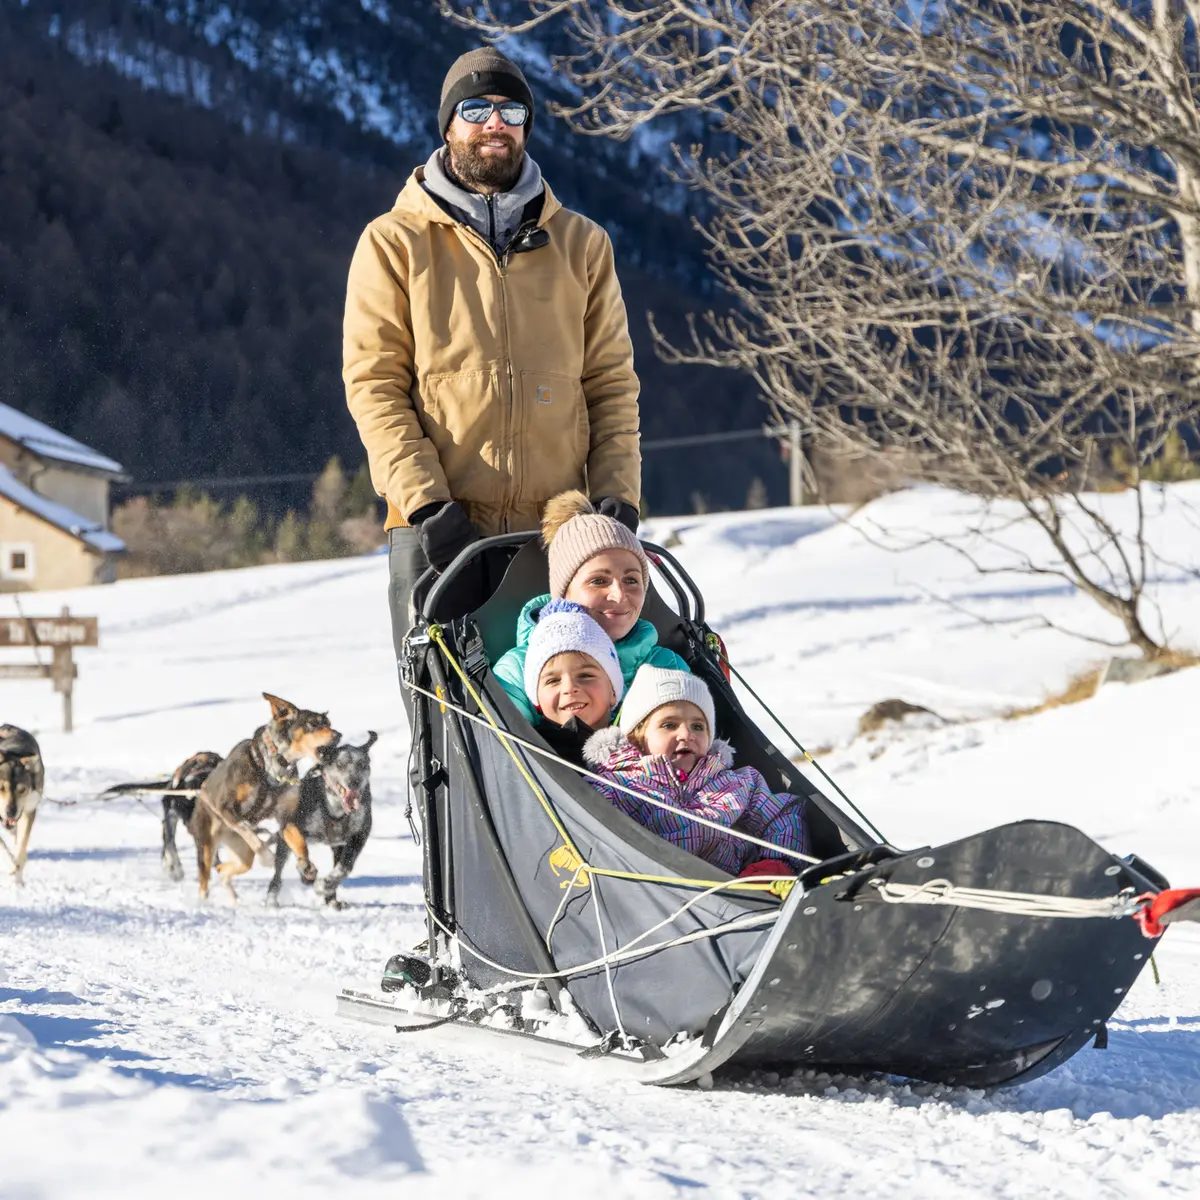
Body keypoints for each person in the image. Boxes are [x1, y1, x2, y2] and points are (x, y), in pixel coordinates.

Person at [343, 46, 642, 653]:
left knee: (566, 705)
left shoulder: (582, 245)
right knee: (444, 709)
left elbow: (611, 385)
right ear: (448, 125)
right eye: (476, 110)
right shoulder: (393, 242)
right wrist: (426, 505)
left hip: (557, 539)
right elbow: (375, 387)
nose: (495, 124)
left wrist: (618, 499)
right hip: (437, 535)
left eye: (512, 112)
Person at [582, 666, 810, 876]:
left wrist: (774, 866)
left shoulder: (737, 783)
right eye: (669, 725)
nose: (686, 734)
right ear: (637, 737)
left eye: (698, 726)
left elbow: (782, 815)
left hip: (738, 892)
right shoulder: (617, 787)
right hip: (655, 892)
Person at [494, 491, 689, 722]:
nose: (619, 595)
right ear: (564, 593)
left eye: (631, 580)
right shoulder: (517, 671)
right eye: (598, 581)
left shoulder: (665, 667)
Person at [520, 599, 623, 766]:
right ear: (537, 700)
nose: (569, 688)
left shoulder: (642, 742)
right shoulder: (529, 754)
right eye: (553, 680)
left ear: (613, 691)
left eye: (586, 675)